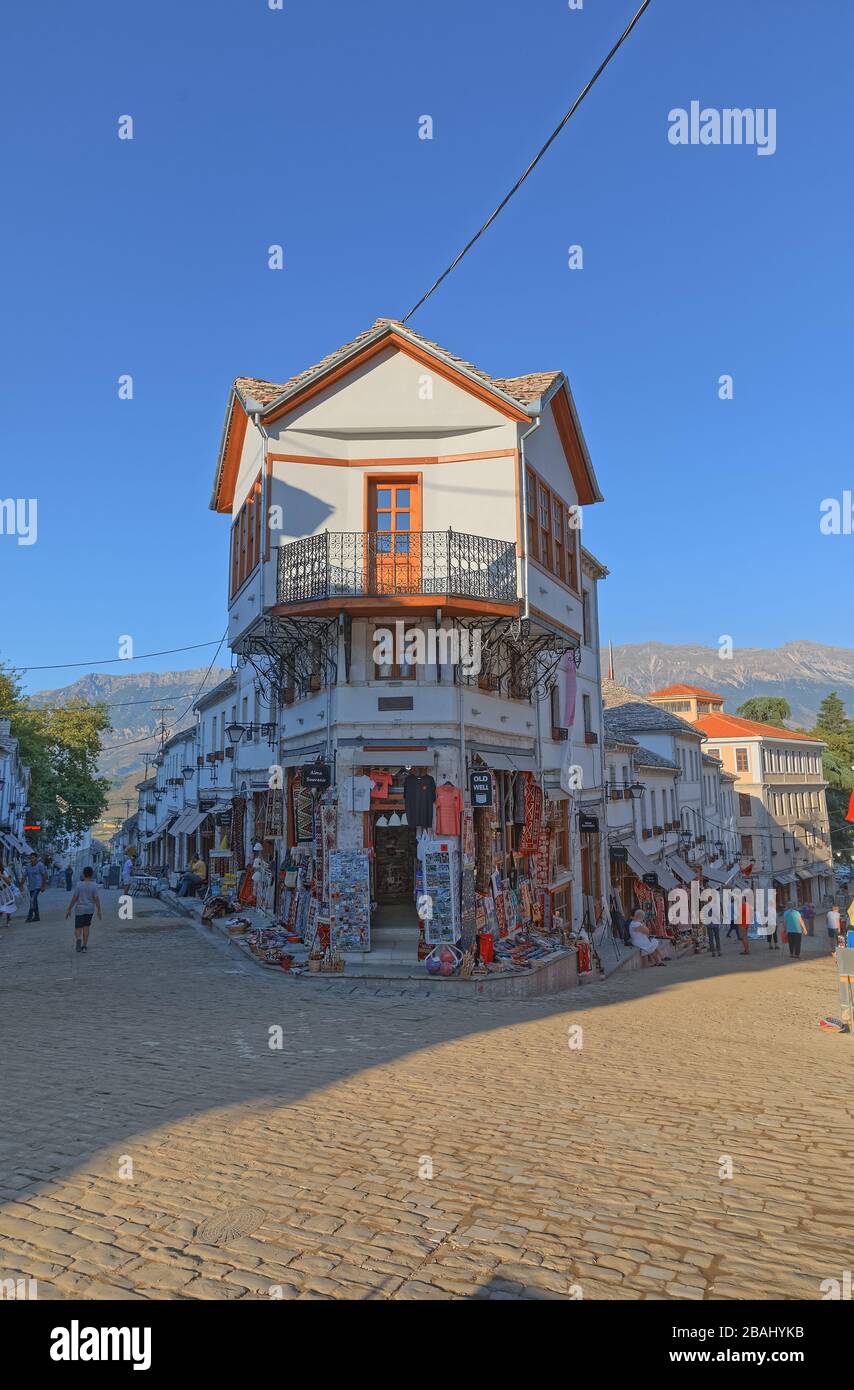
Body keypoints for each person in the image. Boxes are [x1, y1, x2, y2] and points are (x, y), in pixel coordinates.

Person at [65, 866, 102, 953]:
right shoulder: (94, 885)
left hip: (80, 909)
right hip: (90, 909)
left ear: (83, 874)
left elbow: (74, 898)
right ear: (92, 874)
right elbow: (96, 898)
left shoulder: (79, 885)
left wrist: (69, 909)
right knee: (86, 927)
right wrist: (99, 910)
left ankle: (78, 939)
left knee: (78, 928)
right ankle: (84, 946)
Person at [24, 854, 48, 923]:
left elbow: (45, 875)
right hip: (31, 886)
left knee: (32, 900)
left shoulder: (40, 865)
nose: (32, 859)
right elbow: (24, 876)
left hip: (38, 886)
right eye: (31, 858)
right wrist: (20, 885)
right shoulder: (28, 866)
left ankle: (29, 917)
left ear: (36, 858)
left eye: (33, 858)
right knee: (34, 901)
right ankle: (37, 917)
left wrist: (43, 886)